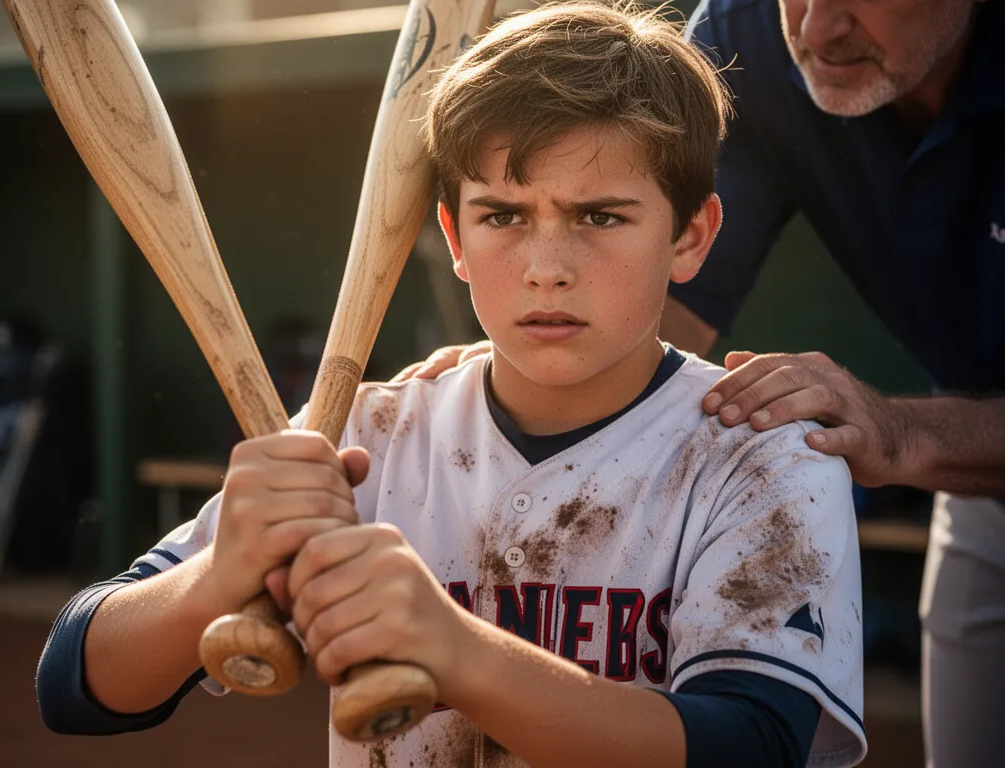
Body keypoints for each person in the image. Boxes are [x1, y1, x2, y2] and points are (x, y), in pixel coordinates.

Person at [35, 4, 867, 766]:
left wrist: (459, 654)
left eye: (600, 216)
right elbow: (75, 684)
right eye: (503, 216)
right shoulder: (368, 435)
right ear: (454, 238)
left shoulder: (764, 460)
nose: (547, 269)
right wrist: (218, 576)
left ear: (691, 237)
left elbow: (751, 746)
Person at [407, 1, 1005, 765]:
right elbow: (650, 302)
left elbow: (750, 744)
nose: (816, 31)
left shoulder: (785, 467)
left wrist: (915, 433)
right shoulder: (746, 38)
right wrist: (525, 369)